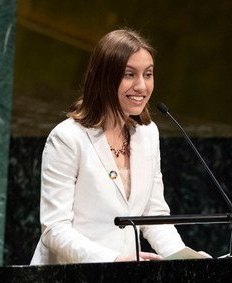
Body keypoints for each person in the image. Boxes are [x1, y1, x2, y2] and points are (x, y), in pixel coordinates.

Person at [30, 28, 203, 264]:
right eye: (129, 75)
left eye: (148, 74)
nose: (142, 86)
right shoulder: (67, 138)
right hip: (69, 282)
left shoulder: (148, 134)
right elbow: (54, 230)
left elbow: (153, 215)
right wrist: (113, 260)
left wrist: (185, 259)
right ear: (104, 78)